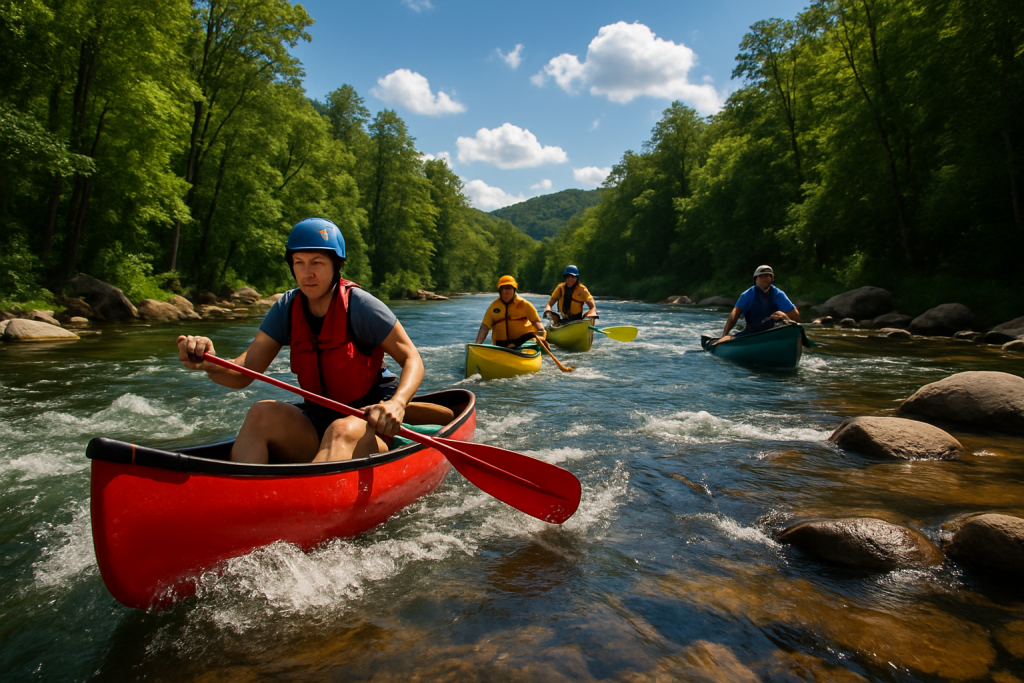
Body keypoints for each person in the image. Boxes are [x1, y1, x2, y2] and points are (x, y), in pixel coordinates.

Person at [176, 217, 424, 464]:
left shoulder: (361, 306)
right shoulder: (286, 308)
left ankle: (308, 501)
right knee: (260, 413)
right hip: (315, 422)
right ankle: (242, 496)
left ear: (336, 265)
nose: (307, 273)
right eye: (299, 263)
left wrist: (398, 404)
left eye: (317, 262)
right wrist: (210, 363)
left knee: (340, 430)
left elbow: (412, 358)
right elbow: (242, 373)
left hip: (368, 424)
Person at [717, 265, 800, 343]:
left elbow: (796, 316)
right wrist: (724, 335)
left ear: (771, 278)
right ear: (756, 280)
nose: (764, 279)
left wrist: (784, 316)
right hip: (751, 333)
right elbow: (735, 314)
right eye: (761, 276)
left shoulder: (778, 294)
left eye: (767, 276)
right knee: (730, 338)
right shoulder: (748, 295)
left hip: (773, 332)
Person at [474, 275, 546, 348]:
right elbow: (484, 327)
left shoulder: (525, 304)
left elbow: (536, 321)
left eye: (508, 288)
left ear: (514, 290)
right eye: (503, 288)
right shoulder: (493, 307)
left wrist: (540, 330)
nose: (505, 291)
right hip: (501, 345)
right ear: (499, 291)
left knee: (530, 336)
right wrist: (478, 344)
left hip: (523, 343)